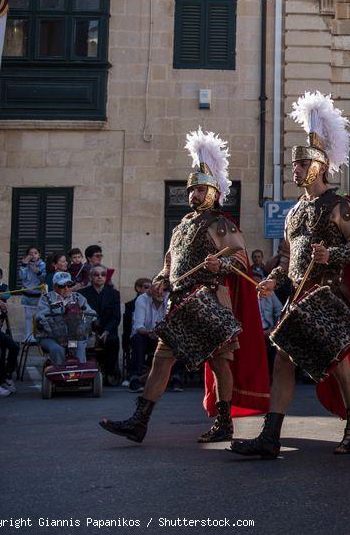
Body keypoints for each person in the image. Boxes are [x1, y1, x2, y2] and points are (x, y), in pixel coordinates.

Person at [232, 92, 350, 459]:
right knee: (285, 357)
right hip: (300, 297)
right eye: (294, 166)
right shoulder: (293, 212)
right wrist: (274, 279)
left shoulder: (340, 205)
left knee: (338, 362)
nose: (294, 170)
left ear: (317, 167)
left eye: (300, 166)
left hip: (331, 296)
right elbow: (288, 258)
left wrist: (332, 253)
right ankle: (271, 435)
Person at [100, 129, 269, 445]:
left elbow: (241, 258)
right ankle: (139, 421)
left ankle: (224, 423)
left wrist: (222, 264)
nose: (193, 194)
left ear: (214, 191)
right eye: (191, 189)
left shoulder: (221, 223)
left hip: (210, 301)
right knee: (162, 359)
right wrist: (161, 279)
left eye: (200, 189)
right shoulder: (182, 226)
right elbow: (170, 261)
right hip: (179, 303)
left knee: (220, 363)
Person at [35, 271, 95, 366]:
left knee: (78, 346)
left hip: (73, 337)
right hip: (51, 337)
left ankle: (79, 373)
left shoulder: (78, 298)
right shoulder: (46, 299)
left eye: (69, 285)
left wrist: (88, 321)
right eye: (62, 286)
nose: (66, 288)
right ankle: (58, 374)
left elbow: (90, 313)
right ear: (54, 286)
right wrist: (58, 336)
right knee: (57, 349)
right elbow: (41, 318)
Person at [79, 265, 122, 385]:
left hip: (107, 330)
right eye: (96, 274)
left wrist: (107, 331)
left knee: (112, 340)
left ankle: (109, 372)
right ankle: (85, 373)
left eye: (103, 274)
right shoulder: (81, 294)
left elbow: (116, 317)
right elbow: (78, 316)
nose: (100, 277)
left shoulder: (114, 294)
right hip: (88, 330)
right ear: (91, 277)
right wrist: (90, 331)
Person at [128, 281, 169, 392]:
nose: (161, 293)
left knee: (175, 339)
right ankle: (134, 378)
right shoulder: (142, 299)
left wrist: (161, 334)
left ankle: (174, 377)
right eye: (157, 290)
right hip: (146, 334)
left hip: (163, 335)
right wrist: (150, 333)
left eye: (164, 290)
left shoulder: (169, 298)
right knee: (137, 339)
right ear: (150, 290)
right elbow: (138, 326)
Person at [122, 278, 151, 387]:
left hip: (152, 335)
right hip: (138, 335)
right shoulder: (131, 304)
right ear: (138, 288)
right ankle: (135, 375)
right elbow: (128, 327)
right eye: (146, 287)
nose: (150, 290)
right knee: (138, 339)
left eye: (150, 287)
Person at [17, 247, 46, 340]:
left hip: (37, 294)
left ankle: (36, 335)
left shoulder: (42, 264)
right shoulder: (25, 265)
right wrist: (24, 265)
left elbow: (43, 278)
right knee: (28, 316)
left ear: (39, 255)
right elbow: (22, 276)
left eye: (35, 253)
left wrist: (37, 271)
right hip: (27, 293)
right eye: (30, 253)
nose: (33, 255)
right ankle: (28, 336)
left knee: (37, 316)